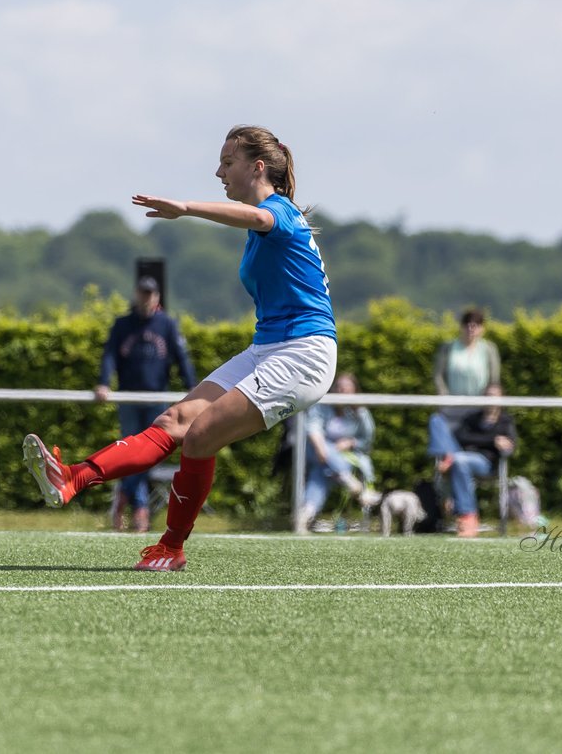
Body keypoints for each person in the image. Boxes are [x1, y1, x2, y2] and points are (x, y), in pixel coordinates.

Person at [23, 125, 337, 570]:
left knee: (201, 435)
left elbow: (257, 219)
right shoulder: (265, 222)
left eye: (227, 163)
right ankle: (72, 477)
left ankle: (171, 547)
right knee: (173, 421)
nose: (219, 171)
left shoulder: (278, 213)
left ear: (257, 167)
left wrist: (186, 208)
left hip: (304, 355)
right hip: (269, 348)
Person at [95, 276, 197, 533]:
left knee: (150, 454)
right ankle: (140, 507)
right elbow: (109, 356)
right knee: (130, 452)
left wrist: (193, 387)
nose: (146, 297)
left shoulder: (167, 324)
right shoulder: (122, 325)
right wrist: (104, 383)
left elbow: (180, 357)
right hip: (129, 397)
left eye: (150, 293)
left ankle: (127, 499)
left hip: (156, 398)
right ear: (136, 294)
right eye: (142, 293)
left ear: (157, 297)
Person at [426, 384, 517, 538]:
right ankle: (449, 458)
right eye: (488, 395)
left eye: (494, 396)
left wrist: (503, 444)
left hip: (486, 463)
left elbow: (510, 447)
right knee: (436, 420)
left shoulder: (505, 422)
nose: (491, 399)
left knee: (460, 460)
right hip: (462, 455)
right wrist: (492, 440)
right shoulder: (473, 417)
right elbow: (461, 437)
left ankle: (467, 515)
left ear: (502, 399)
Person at [298, 372, 376, 532]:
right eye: (339, 387)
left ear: (354, 390)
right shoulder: (322, 405)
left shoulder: (361, 413)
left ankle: (307, 511)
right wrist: (325, 451)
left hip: (347, 458)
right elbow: (313, 429)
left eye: (347, 387)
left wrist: (351, 442)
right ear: (333, 388)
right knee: (322, 448)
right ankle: (346, 479)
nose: (342, 390)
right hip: (318, 453)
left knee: (320, 473)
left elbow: (367, 441)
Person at [433, 308, 500, 427]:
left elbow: (494, 380)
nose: (471, 329)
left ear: (482, 328)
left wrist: (489, 404)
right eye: (467, 325)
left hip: (480, 407)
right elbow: (438, 376)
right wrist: (444, 399)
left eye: (476, 325)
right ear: (461, 326)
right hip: (452, 407)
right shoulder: (448, 348)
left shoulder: (489, 349)